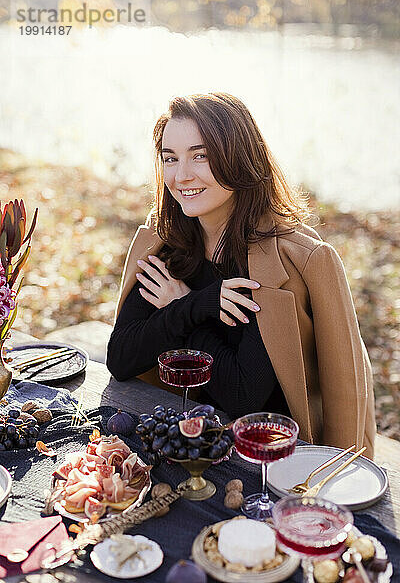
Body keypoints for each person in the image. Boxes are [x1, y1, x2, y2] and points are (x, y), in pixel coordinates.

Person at [107, 92, 376, 458]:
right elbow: (121, 359)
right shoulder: (165, 243)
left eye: (200, 156)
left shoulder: (293, 263)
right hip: (189, 445)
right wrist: (192, 306)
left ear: (238, 157)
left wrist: (182, 306)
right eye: (170, 159)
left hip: (279, 459)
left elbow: (242, 393)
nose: (182, 175)